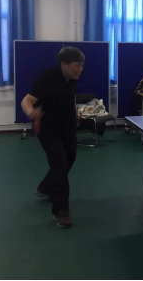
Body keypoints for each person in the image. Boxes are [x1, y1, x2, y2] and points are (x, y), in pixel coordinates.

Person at [21, 47, 85, 229]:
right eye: (77, 66)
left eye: (82, 66)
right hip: (48, 129)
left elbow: (69, 97)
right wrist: (31, 113)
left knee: (69, 159)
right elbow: (26, 100)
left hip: (67, 127)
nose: (80, 69)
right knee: (60, 165)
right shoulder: (47, 78)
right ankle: (61, 211)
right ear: (64, 65)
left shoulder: (72, 78)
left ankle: (45, 187)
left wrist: (75, 113)